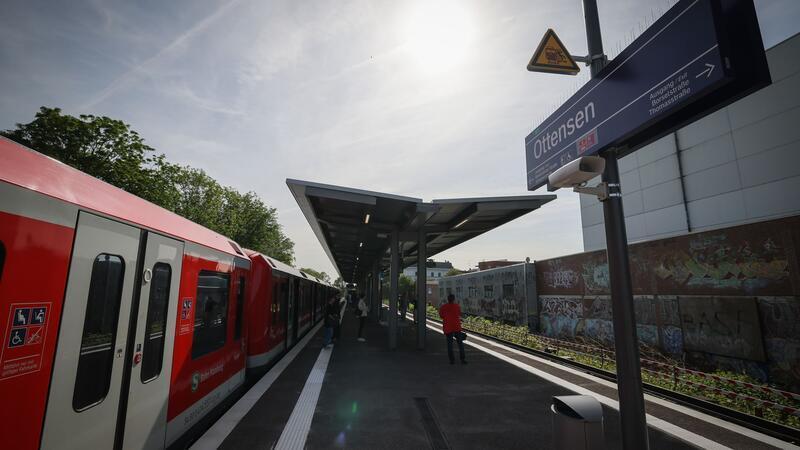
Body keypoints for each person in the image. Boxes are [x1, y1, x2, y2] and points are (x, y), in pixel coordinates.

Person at [439, 294, 466, 365]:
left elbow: (441, 316)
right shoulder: (457, 306)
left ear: (448, 299)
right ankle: (462, 359)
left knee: (450, 345)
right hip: (457, 327)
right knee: (460, 344)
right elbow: (459, 314)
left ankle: (452, 360)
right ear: (454, 299)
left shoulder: (443, 307)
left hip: (448, 328)